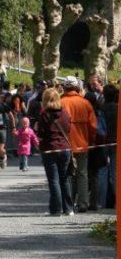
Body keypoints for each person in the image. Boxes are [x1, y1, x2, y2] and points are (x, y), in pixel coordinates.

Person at [61, 75, 97, 213]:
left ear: (64, 87)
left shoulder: (60, 102)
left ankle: (68, 203)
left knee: (66, 174)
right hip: (82, 142)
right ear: (77, 87)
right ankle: (83, 203)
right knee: (82, 173)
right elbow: (93, 126)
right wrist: (91, 140)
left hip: (64, 143)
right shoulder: (85, 103)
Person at [36, 88, 73, 216]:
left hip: (50, 149)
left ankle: (56, 209)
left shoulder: (44, 115)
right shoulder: (65, 113)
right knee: (64, 179)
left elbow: (41, 133)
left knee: (53, 180)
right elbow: (68, 129)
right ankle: (68, 209)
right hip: (64, 148)